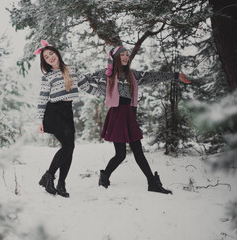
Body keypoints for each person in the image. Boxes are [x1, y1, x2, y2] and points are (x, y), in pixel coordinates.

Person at [96, 46, 189, 194]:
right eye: (122, 55)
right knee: (120, 155)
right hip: (117, 114)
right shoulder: (107, 74)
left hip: (129, 114)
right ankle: (105, 176)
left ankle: (152, 183)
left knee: (138, 151)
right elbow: (85, 78)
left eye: (127, 55)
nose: (126, 57)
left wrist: (176, 75)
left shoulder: (134, 75)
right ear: (116, 58)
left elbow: (153, 76)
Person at [34, 40, 103, 198]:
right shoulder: (48, 77)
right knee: (68, 146)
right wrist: (39, 120)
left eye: (51, 53)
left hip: (67, 111)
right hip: (54, 112)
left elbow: (87, 87)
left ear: (57, 53)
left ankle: (61, 184)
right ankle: (48, 176)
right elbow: (43, 98)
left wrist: (105, 95)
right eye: (46, 57)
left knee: (70, 148)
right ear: (44, 61)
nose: (50, 57)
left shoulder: (72, 69)